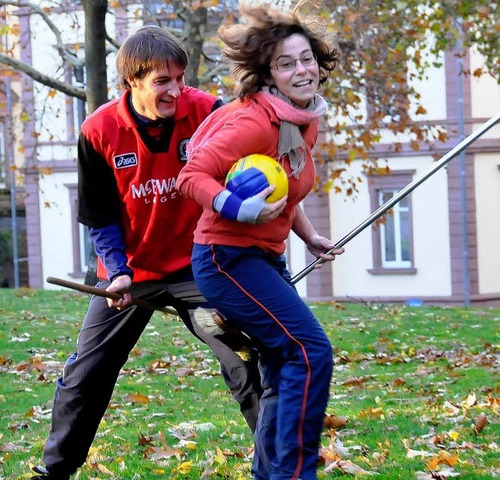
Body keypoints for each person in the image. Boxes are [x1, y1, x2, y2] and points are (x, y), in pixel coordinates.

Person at [31, 26, 263, 480]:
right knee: (85, 374)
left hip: (200, 266)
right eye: (163, 81)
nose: (176, 89)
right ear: (132, 82)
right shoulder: (98, 130)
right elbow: (101, 217)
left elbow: (241, 178)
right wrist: (116, 272)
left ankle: (278, 461)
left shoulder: (208, 112)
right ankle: (54, 470)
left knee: (244, 359)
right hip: (130, 273)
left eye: (180, 77)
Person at [176, 2, 343, 479]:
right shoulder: (253, 121)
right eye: (287, 63)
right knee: (309, 351)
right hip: (225, 257)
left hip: (265, 258)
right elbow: (192, 177)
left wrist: (308, 235)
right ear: (268, 74)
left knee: (279, 368)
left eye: (306, 58)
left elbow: (284, 189)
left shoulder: (299, 118)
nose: (302, 70)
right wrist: (239, 206)